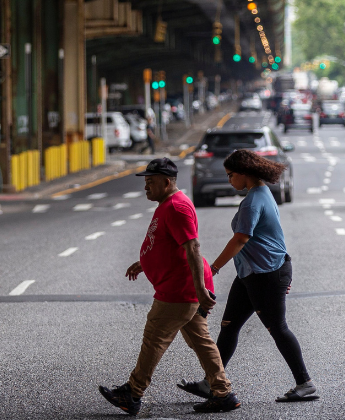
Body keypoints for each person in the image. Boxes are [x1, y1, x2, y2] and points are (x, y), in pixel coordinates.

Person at [99, 158, 241, 415]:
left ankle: (132, 393)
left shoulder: (177, 207)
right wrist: (145, 261)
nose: (146, 187)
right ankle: (223, 393)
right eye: (145, 182)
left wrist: (199, 289)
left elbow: (193, 247)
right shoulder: (167, 204)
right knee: (201, 341)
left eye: (150, 182)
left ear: (166, 182)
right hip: (181, 287)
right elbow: (169, 243)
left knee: (154, 338)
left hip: (179, 290)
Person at [177, 149, 319, 403]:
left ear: (245, 173)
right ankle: (212, 382)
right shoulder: (259, 194)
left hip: (265, 274)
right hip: (251, 273)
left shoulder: (255, 200)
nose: (230, 180)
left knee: (278, 328)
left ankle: (305, 383)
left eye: (231, 175)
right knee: (228, 326)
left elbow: (241, 238)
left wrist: (214, 268)